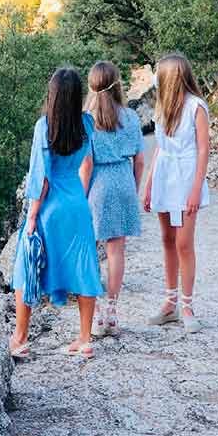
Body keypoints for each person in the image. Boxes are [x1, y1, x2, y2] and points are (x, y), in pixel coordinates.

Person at [10, 67, 104, 359]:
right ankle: (85, 339)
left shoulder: (44, 126)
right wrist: (81, 194)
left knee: (25, 269)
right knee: (85, 267)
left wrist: (33, 217)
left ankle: (20, 340)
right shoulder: (87, 124)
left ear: (52, 95)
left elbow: (42, 178)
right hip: (76, 204)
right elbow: (88, 165)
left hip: (49, 208)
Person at [142, 53, 210, 334]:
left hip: (185, 178)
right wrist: (148, 184)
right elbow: (158, 147)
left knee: (184, 242)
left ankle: (187, 305)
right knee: (168, 239)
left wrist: (195, 188)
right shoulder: (161, 107)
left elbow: (204, 148)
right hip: (164, 177)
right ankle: (169, 303)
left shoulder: (196, 107)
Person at [79, 61, 145, 338]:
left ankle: (94, 317)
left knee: (91, 250)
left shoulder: (86, 119)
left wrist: (80, 197)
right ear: (118, 84)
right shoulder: (129, 116)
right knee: (117, 250)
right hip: (123, 180)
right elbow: (140, 159)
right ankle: (113, 312)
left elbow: (87, 164)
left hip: (98, 185)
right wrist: (134, 187)